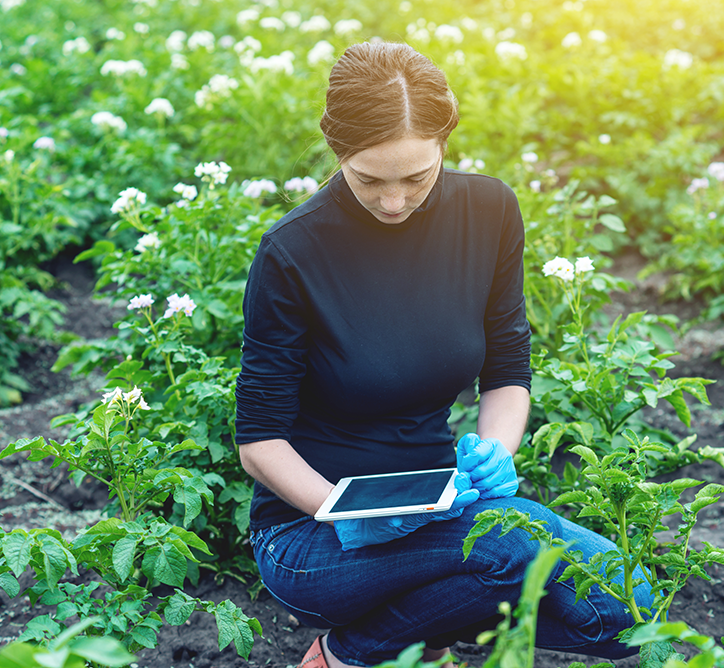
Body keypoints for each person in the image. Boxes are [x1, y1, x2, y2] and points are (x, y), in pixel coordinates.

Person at [234, 41, 652, 668]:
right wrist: (339, 511)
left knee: (626, 611)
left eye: (417, 178)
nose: (394, 201)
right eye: (369, 179)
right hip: (313, 535)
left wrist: (494, 453)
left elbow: (508, 369)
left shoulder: (489, 212)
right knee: (512, 545)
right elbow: (258, 441)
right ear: (336, 151)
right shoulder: (293, 252)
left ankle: (397, 638)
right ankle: (356, 652)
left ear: (445, 144)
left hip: (443, 505)